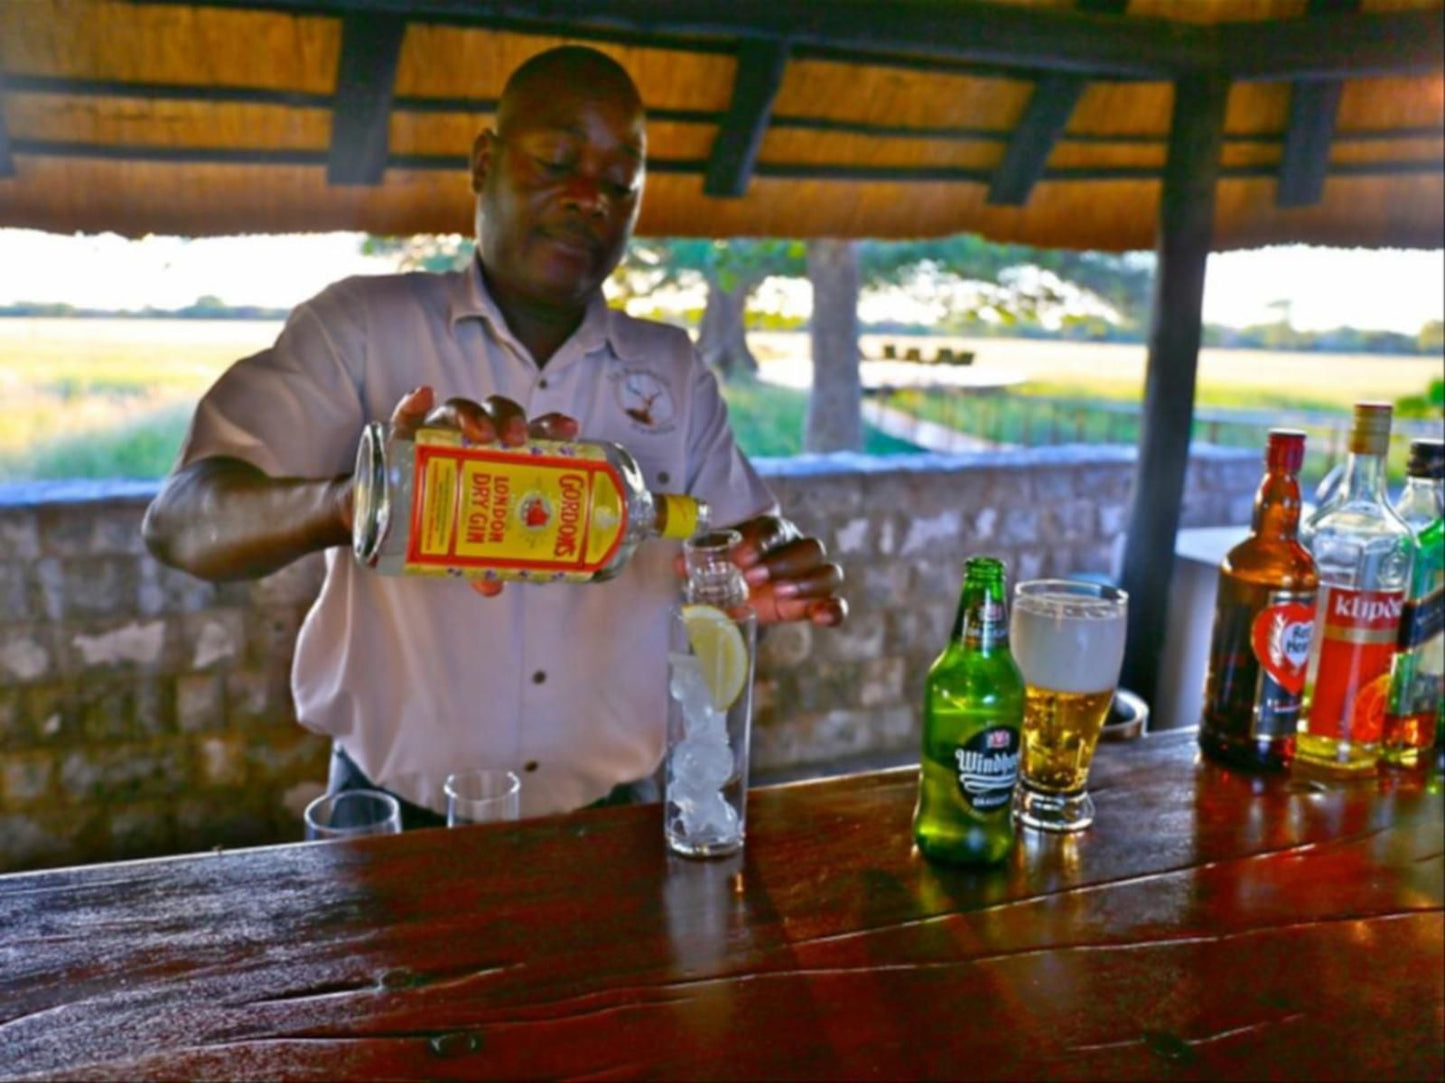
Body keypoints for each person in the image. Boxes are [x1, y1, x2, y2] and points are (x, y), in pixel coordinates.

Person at [143, 45, 846, 826]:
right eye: (557, 159)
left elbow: (736, 525)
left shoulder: (669, 369)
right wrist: (366, 499)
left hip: (613, 822)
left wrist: (770, 557)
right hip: (392, 821)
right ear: (484, 162)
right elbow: (182, 522)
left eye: (620, 181)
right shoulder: (362, 330)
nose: (591, 199)